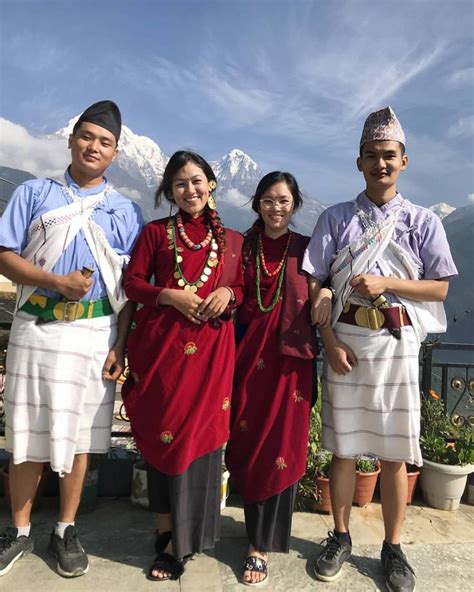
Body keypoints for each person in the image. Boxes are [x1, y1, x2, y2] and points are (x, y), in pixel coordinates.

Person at [302, 106, 458, 592]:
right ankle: (341, 535)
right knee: (344, 450)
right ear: (359, 162)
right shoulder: (336, 218)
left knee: (395, 455)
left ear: (404, 161)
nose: (380, 164)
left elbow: (440, 290)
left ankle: (393, 548)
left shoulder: (422, 222)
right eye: (371, 155)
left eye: (388, 155)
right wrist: (328, 341)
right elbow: (314, 278)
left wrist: (387, 281)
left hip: (395, 341)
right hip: (345, 341)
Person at [0, 100, 143, 578]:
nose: (93, 147)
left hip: (94, 330)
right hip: (37, 324)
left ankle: (65, 527)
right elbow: (4, 255)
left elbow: (128, 291)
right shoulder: (35, 193)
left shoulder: (126, 210)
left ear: (115, 153)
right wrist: (55, 281)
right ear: (71, 140)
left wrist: (120, 345)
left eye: (104, 142)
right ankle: (19, 530)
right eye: (86, 136)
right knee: (26, 431)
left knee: (79, 436)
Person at [121, 150, 244, 581]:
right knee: (162, 434)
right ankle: (164, 524)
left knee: (200, 441)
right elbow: (132, 284)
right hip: (163, 353)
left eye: (196, 181)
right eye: (179, 184)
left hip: (211, 353)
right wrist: (170, 295)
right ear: (169, 192)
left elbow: (242, 288)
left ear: (211, 184)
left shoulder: (232, 240)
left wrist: (229, 295)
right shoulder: (156, 233)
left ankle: (180, 541)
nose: (189, 190)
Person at [225, 172, 332, 586]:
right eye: (269, 200)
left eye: (284, 200)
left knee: (281, 449)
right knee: (248, 445)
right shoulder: (240, 246)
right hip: (246, 362)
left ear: (295, 204)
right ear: (257, 203)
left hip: (291, 367)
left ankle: (261, 546)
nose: (276, 207)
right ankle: (253, 531)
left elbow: (326, 284)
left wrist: (323, 293)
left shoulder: (306, 250)